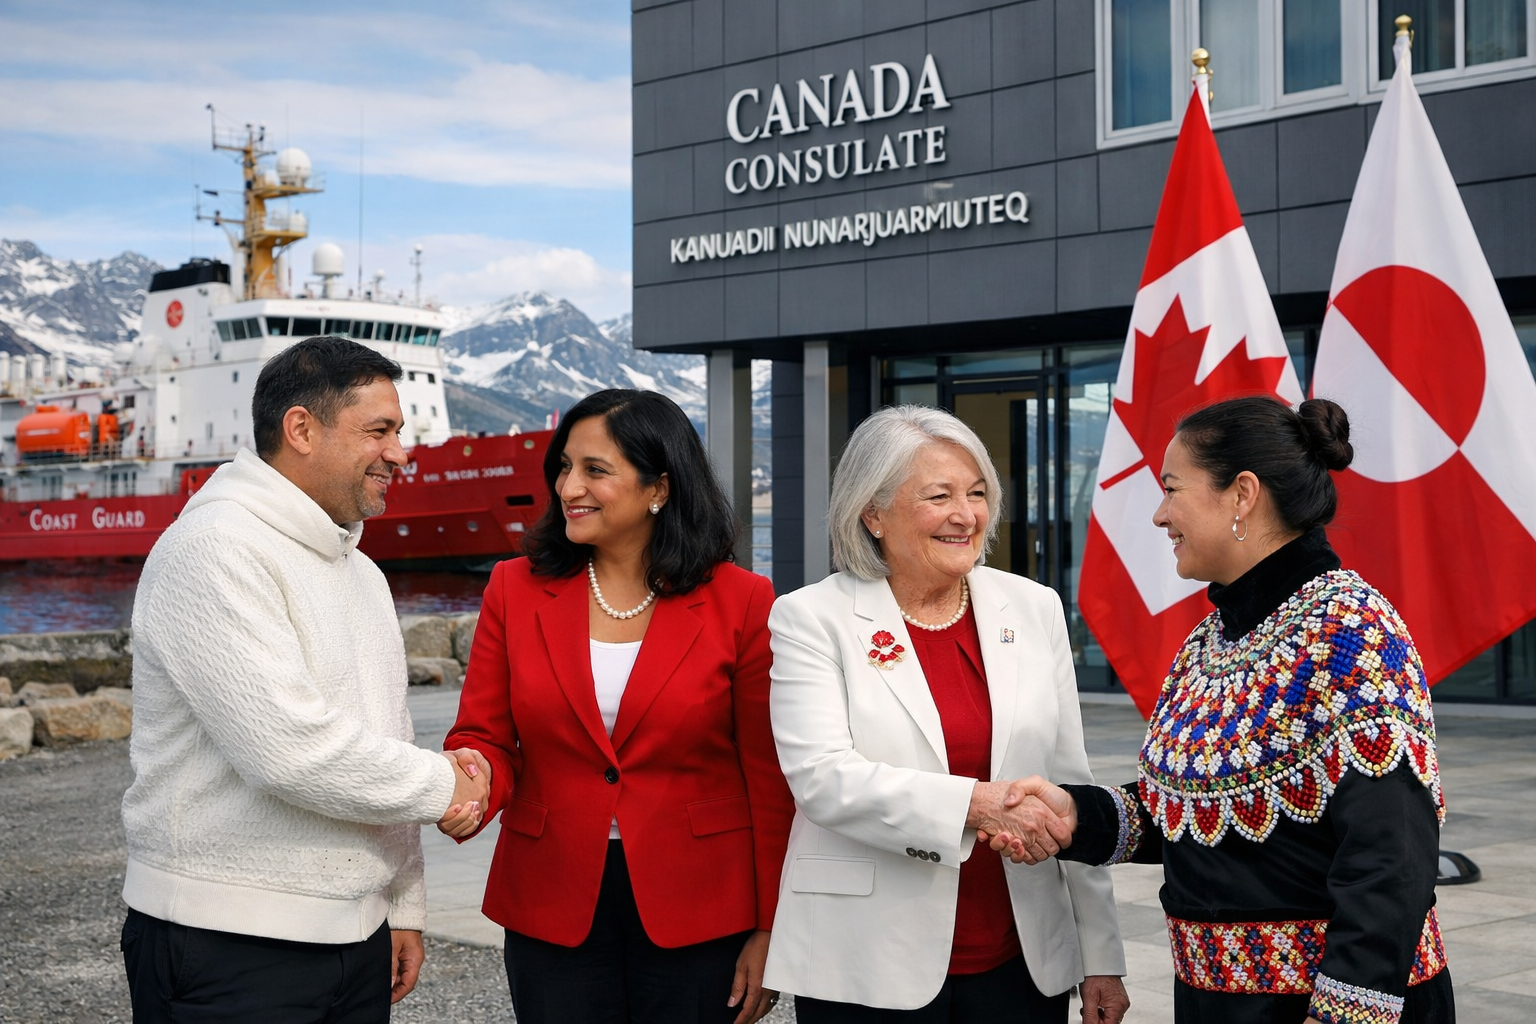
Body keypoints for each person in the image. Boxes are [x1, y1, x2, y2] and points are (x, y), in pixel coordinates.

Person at [993, 396, 1455, 1024]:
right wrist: (1076, 815)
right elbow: (1194, 813)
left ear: (1242, 494)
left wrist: (1345, 1013)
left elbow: (1390, 855)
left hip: (1317, 1007)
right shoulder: (1211, 639)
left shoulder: (1349, 632)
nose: (1160, 515)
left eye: (1172, 489)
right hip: (1217, 1004)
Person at [121, 336, 490, 1023]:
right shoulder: (215, 549)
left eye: (398, 432)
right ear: (301, 429)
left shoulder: (362, 571)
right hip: (227, 943)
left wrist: (400, 904)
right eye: (378, 431)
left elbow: (385, 738)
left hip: (355, 936)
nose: (401, 453)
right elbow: (288, 750)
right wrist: (449, 785)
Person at [763, 405, 1130, 1023]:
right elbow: (822, 779)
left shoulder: (1033, 606)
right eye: (939, 496)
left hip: (1021, 958)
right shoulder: (811, 618)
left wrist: (1101, 954)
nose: (967, 515)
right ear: (873, 513)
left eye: (977, 493)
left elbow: (1071, 782)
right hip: (868, 961)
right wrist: (975, 804)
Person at [444, 388, 795, 1024]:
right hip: (551, 896)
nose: (568, 487)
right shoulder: (512, 587)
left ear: (659, 487)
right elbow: (484, 736)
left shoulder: (743, 600)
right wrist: (469, 784)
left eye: (595, 470)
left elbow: (768, 779)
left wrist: (773, 925)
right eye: (563, 467)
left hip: (703, 904)